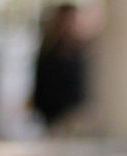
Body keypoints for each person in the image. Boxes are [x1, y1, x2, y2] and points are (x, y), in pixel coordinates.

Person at [31, 2, 91, 135]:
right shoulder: (48, 52)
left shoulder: (81, 51)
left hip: (77, 115)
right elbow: (42, 86)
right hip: (54, 116)